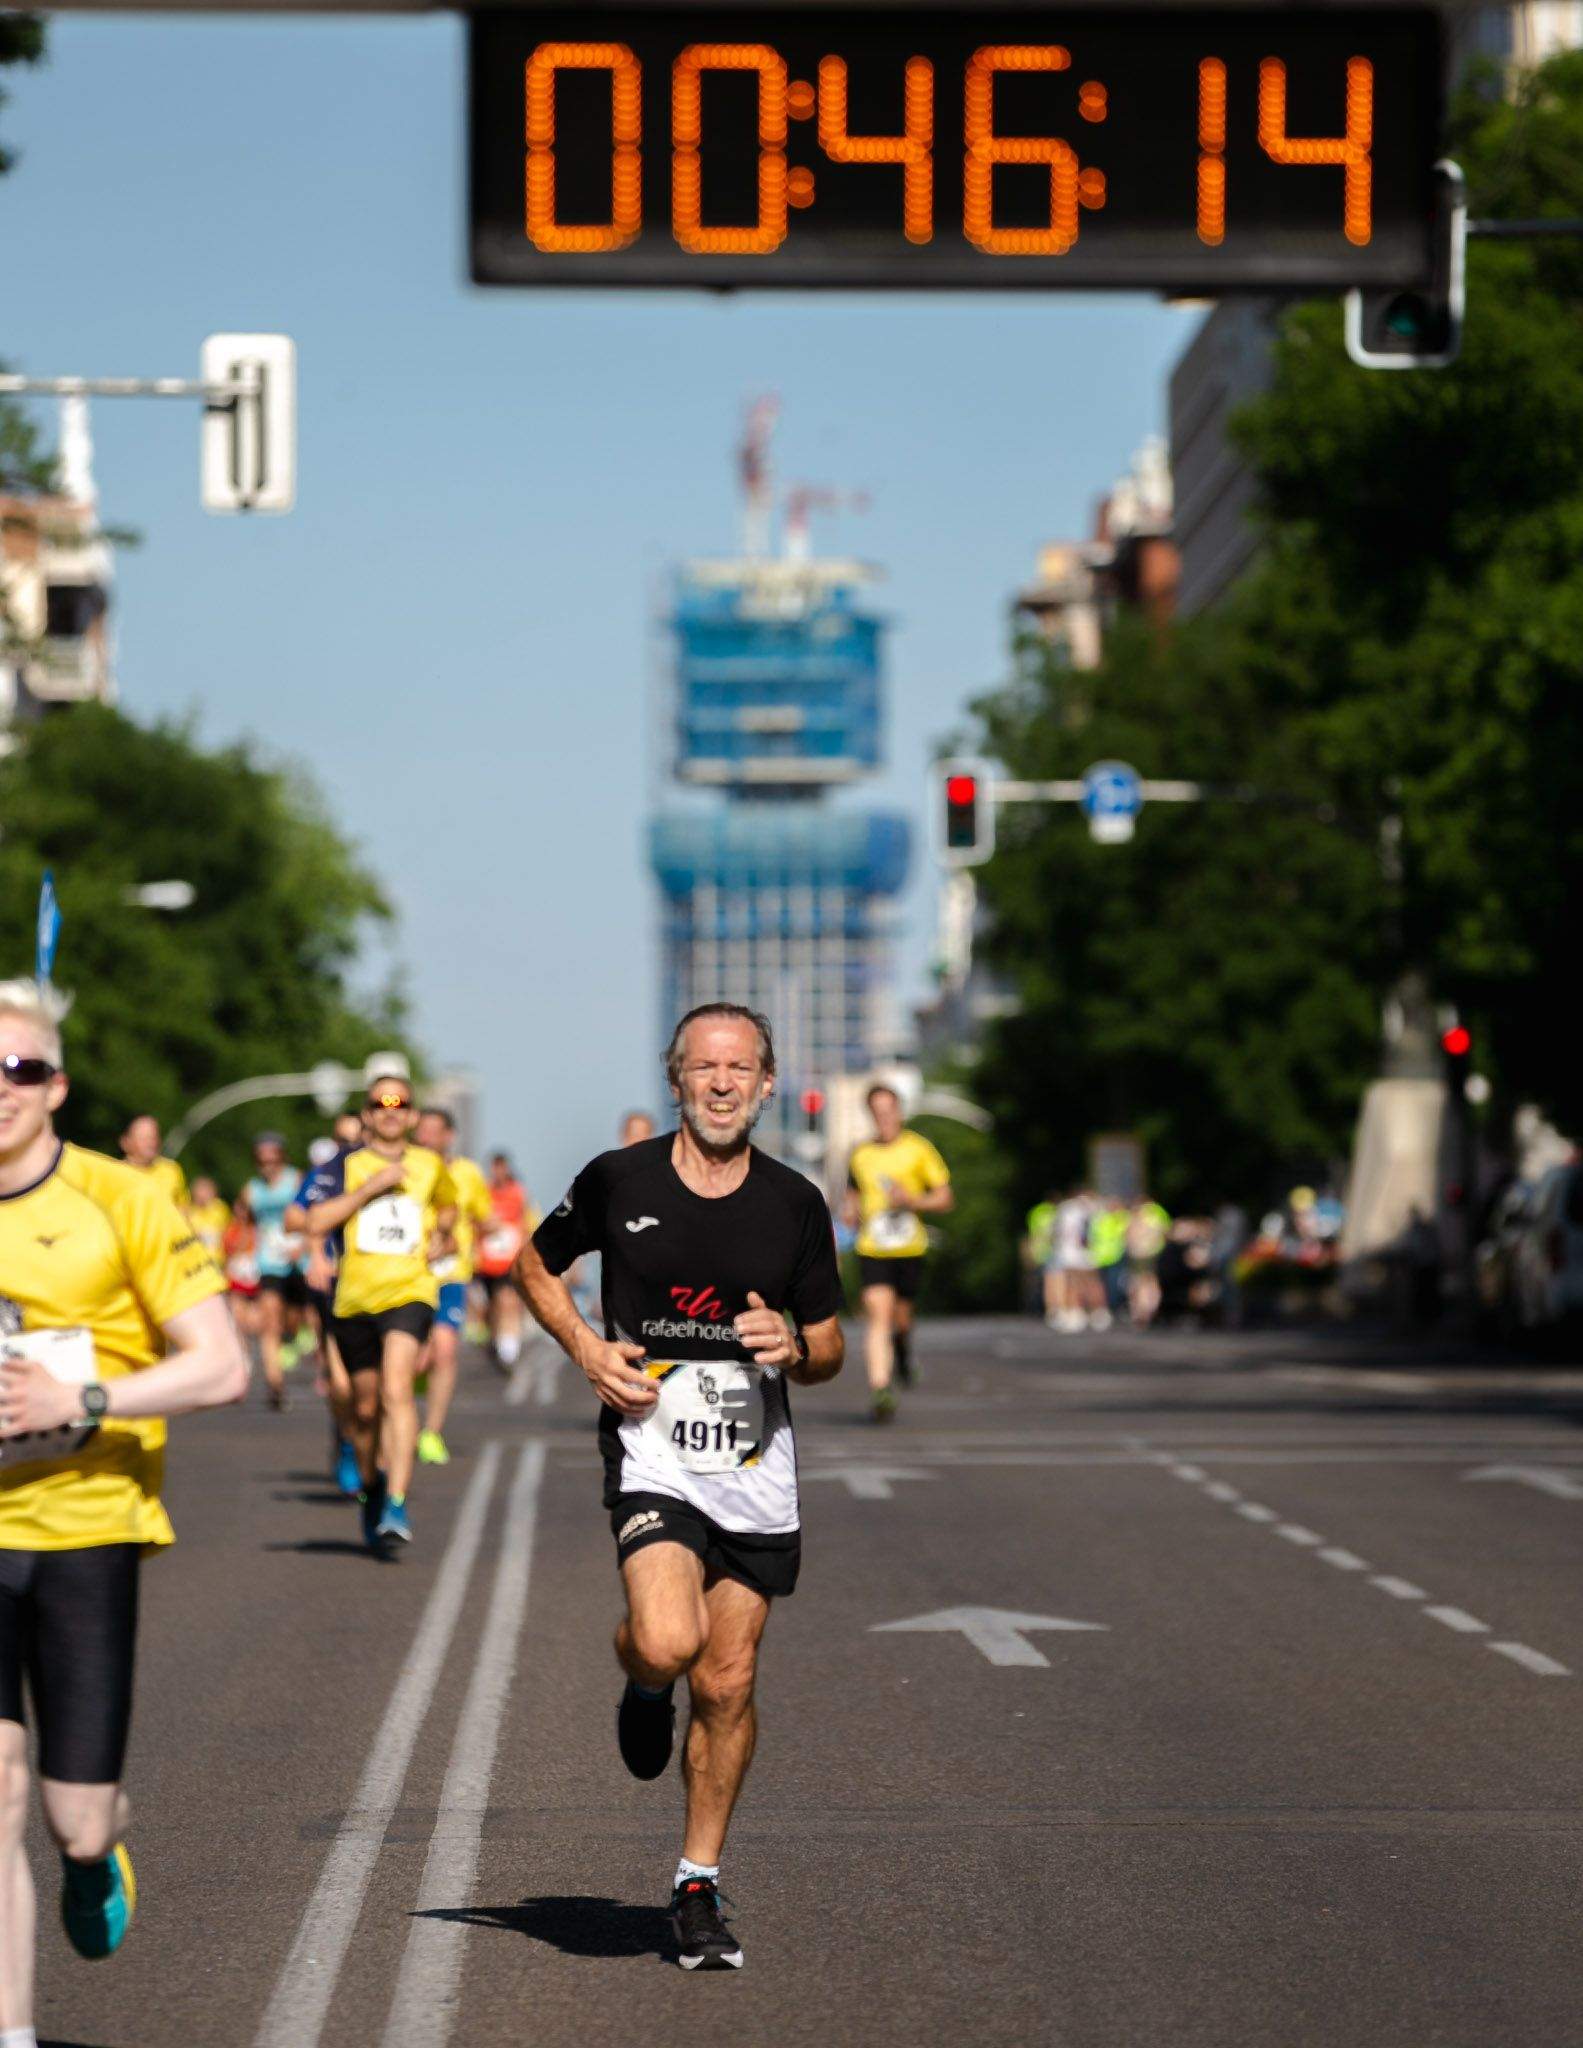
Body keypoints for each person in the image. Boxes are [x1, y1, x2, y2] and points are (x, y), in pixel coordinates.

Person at [514, 1004, 843, 1971]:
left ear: (767, 1084)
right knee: (668, 1640)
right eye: (704, 1066)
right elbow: (533, 1264)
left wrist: (793, 1343)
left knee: (728, 1681)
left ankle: (696, 1881)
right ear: (676, 1079)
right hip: (652, 1446)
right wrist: (585, 1348)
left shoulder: (795, 1203)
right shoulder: (619, 1181)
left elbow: (827, 1349)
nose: (722, 1082)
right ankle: (639, 1677)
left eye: (740, 1068)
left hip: (752, 1466)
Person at [0, 980, 247, 2042]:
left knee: (69, 1811)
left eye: (17, 1069)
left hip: (88, 1522)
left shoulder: (122, 1198)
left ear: (55, 1085)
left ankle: (97, 1850)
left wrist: (79, 1397)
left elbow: (223, 1365)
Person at [299, 1077, 456, 1551]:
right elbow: (313, 1221)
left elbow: (449, 1210)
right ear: (366, 1114)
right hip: (354, 1301)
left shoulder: (430, 1165)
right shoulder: (343, 1165)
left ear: (412, 1116)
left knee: (396, 1388)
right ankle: (372, 1485)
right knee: (364, 1411)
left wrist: (442, 1236)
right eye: (379, 1103)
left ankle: (397, 1499)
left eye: (400, 1103)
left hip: (409, 1294)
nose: (390, 1110)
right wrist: (371, 1188)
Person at [842, 1084, 953, 1422]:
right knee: (878, 1314)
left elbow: (945, 1198)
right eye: (877, 1112)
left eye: (889, 1110)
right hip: (873, 1248)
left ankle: (903, 1354)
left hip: (909, 1247)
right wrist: (850, 1211)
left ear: (899, 1112)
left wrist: (913, 1201)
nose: (884, 1118)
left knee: (901, 1319)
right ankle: (880, 1388)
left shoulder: (919, 1149)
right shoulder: (860, 1154)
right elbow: (852, 1195)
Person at [413, 1107, 495, 1466]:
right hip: (410, 1276)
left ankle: (431, 1432)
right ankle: (415, 1384)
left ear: (449, 1136)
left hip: (452, 1276)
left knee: (444, 1350)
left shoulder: (467, 1173)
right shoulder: (409, 1169)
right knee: (417, 1358)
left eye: (434, 1131)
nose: (427, 1137)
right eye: (422, 1131)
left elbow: (484, 1216)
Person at [242, 1133, 310, 1413]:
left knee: (292, 1322)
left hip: (298, 1260)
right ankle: (275, 1385)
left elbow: (315, 1216)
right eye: (262, 1160)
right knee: (269, 1321)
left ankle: (291, 1338)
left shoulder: (296, 1180)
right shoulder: (251, 1190)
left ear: (282, 1158)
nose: (268, 1165)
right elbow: (244, 1222)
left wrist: (304, 1244)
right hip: (269, 1262)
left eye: (273, 1159)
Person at [475, 1151, 531, 1368]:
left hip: (509, 1260)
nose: (498, 1172)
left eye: (502, 1167)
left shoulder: (518, 1193)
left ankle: (508, 1351)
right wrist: (485, 1227)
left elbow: (527, 1222)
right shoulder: (483, 1192)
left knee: (508, 1300)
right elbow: (473, 1221)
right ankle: (496, 1339)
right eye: (494, 1167)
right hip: (486, 1263)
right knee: (491, 1308)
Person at [117, 1115, 189, 1215]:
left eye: (154, 1137)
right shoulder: (116, 1174)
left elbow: (183, 1210)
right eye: (144, 1138)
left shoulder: (171, 1170)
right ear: (125, 1142)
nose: (151, 1143)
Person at [1126, 1194, 1172, 1328]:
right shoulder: (1156, 1215)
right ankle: (1146, 1311)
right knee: (1145, 1284)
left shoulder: (1142, 1217)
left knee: (1141, 1284)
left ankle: (1143, 1312)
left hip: (1143, 1255)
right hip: (1148, 1255)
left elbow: (1130, 1237)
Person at [1088, 1196, 1132, 1327]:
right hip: (1104, 1257)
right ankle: (1106, 1308)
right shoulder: (1103, 1218)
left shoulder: (1119, 1218)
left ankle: (1113, 1308)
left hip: (1115, 1256)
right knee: (1105, 1285)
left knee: (1115, 1284)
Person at [186, 1176, 230, 1262]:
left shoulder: (220, 1209)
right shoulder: (188, 1212)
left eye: (206, 1190)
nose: (203, 1195)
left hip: (216, 1261)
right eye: (200, 1190)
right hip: (195, 1261)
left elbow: (227, 1232)